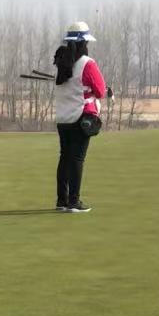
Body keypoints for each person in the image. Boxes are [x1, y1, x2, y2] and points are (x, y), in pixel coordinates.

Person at [53, 20, 108, 213]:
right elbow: (100, 91)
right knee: (77, 159)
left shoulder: (62, 62)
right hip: (81, 118)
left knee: (65, 158)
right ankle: (74, 202)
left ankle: (62, 201)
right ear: (84, 43)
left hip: (63, 120)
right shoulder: (87, 63)